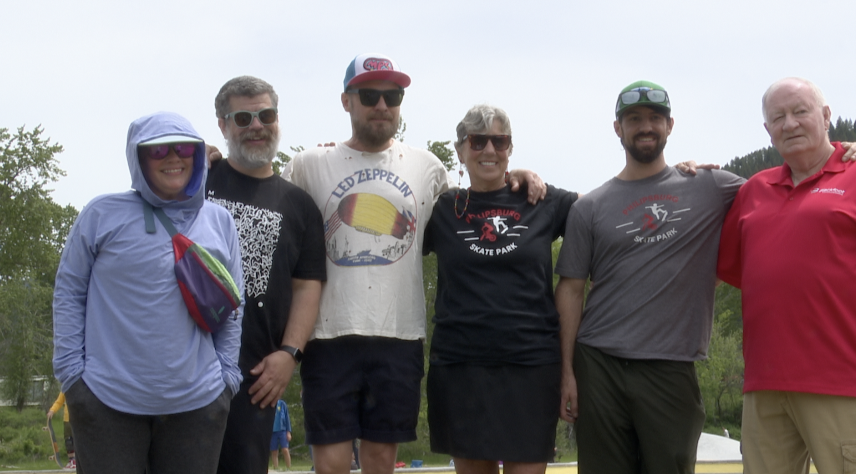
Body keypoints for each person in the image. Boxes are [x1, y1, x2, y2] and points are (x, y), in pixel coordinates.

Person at [281, 52, 544, 474]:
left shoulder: (428, 166)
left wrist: (517, 177)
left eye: (393, 95)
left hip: (400, 334)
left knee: (382, 460)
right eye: (370, 95)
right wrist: (217, 167)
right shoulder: (310, 163)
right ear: (346, 101)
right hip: (329, 333)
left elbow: (474, 207)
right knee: (330, 463)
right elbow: (271, 204)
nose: (382, 105)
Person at [554, 81, 744, 474]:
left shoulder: (711, 186)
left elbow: (782, 191)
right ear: (617, 128)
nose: (646, 127)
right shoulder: (588, 207)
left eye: (655, 118)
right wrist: (567, 371)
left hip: (670, 368)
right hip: (599, 365)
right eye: (634, 119)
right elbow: (571, 290)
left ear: (670, 125)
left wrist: (842, 157)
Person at [53, 111, 244, 474]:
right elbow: (69, 292)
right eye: (157, 151)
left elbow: (235, 305)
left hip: (199, 402)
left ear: (198, 154)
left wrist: (226, 380)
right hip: (106, 401)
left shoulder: (219, 221)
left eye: (184, 147)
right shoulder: (101, 214)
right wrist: (72, 378)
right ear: (138, 158)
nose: (173, 157)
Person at [423, 104, 579, 474]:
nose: (489, 150)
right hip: (461, 367)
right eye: (478, 141)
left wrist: (666, 176)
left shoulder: (542, 201)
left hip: (530, 365)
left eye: (500, 141)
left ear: (510, 148)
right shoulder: (445, 208)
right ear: (461, 149)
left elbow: (606, 211)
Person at [717, 77, 856, 474]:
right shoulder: (755, 190)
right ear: (767, 130)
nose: (789, 123)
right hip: (764, 385)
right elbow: (729, 272)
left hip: (842, 380)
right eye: (777, 117)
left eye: (800, 112)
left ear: (827, 116)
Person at [209, 76, 326, 474]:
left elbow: (308, 283)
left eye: (266, 115)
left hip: (255, 379)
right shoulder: (195, 183)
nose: (256, 125)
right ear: (223, 126)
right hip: (181, 365)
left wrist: (290, 355)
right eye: (243, 117)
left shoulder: (300, 205)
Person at [47, 391, 76, 469]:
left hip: (79, 418)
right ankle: (72, 461)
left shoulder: (83, 385)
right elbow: (59, 401)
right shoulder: (66, 387)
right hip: (67, 418)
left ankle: (80, 460)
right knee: (69, 441)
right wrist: (52, 411)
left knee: (79, 440)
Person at [271, 399, 293, 471]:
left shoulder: (282, 404)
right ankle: (276, 468)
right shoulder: (269, 403)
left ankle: (288, 467)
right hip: (272, 431)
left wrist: (288, 431)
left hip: (282, 430)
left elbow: (287, 418)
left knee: (285, 450)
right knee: (274, 451)